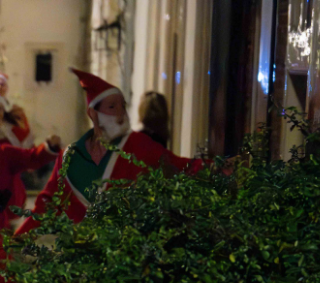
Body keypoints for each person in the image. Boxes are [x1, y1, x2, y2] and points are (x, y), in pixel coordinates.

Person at [16, 69, 201, 235]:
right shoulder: (69, 158)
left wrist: (215, 166)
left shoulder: (139, 145)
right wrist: (17, 243)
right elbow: (47, 205)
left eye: (122, 106)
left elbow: (180, 167)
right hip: (83, 252)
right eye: (112, 107)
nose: (120, 114)